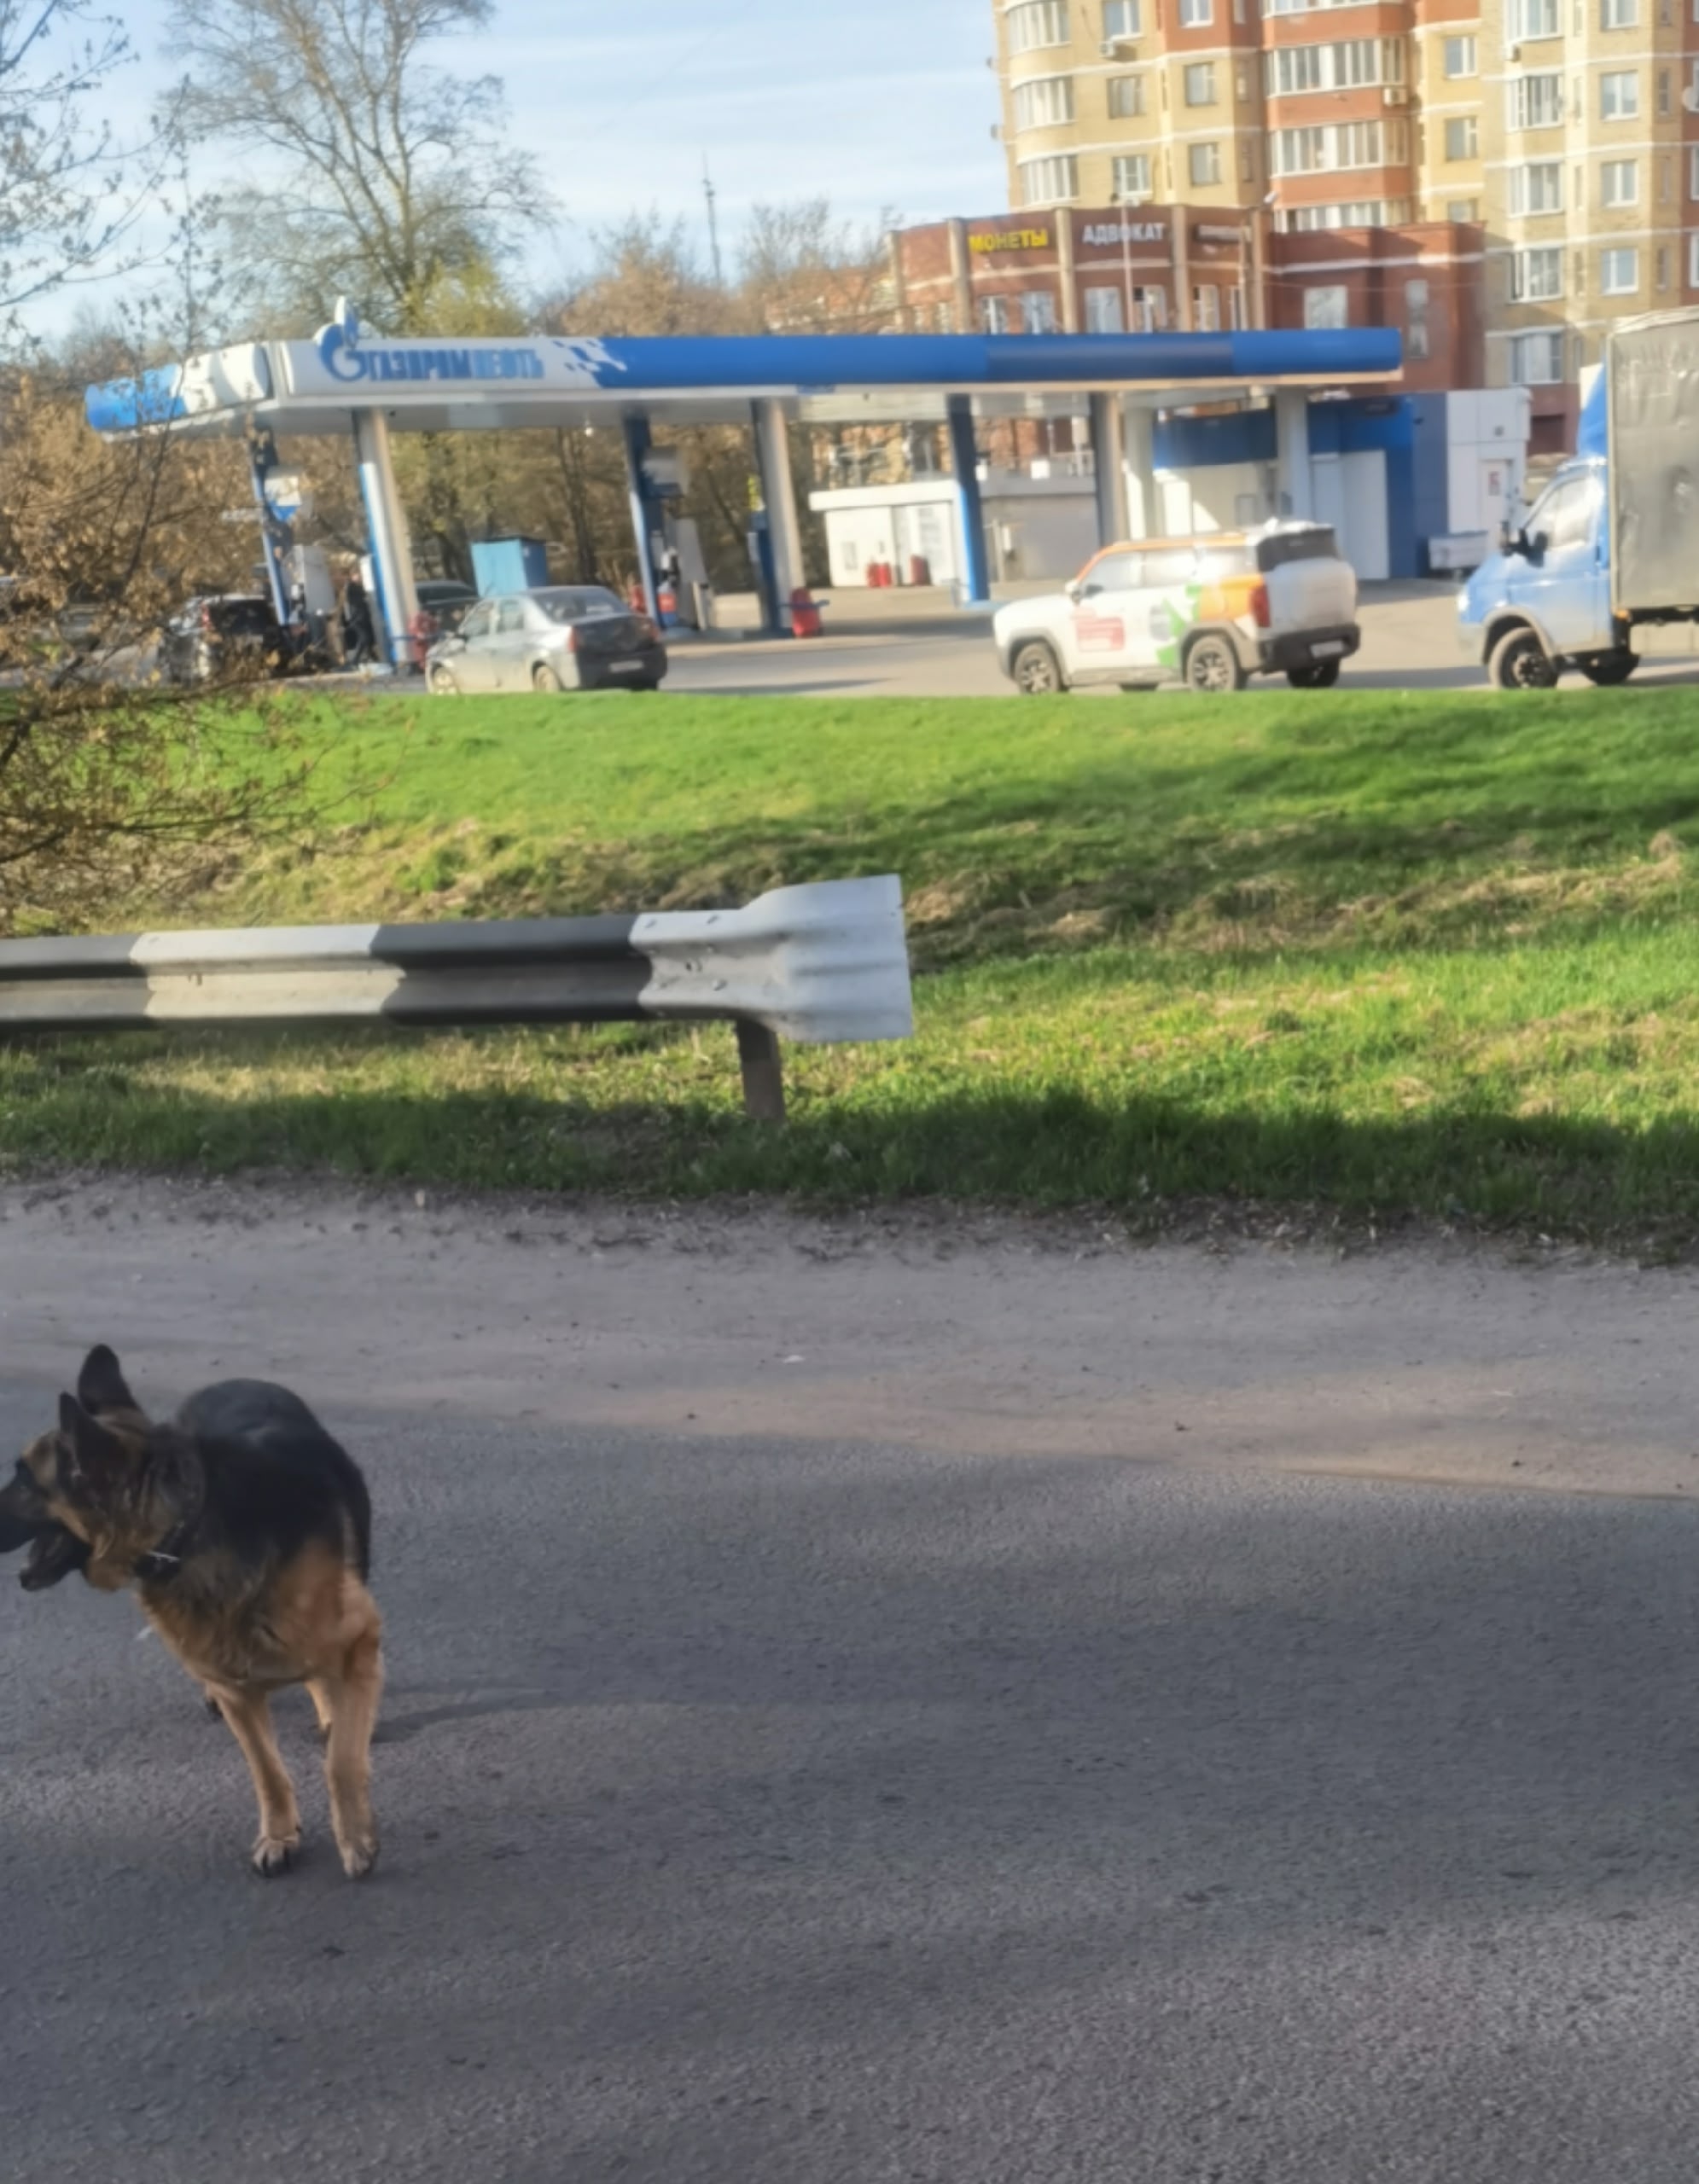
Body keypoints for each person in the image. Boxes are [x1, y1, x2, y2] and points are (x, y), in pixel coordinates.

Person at [342, 573, 375, 666]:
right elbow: (348, 590)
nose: (360, 578)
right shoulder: (351, 588)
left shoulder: (359, 589)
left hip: (363, 618)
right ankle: (355, 660)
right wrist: (349, 580)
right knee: (365, 638)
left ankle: (370, 656)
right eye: (357, 576)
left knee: (370, 639)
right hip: (357, 620)